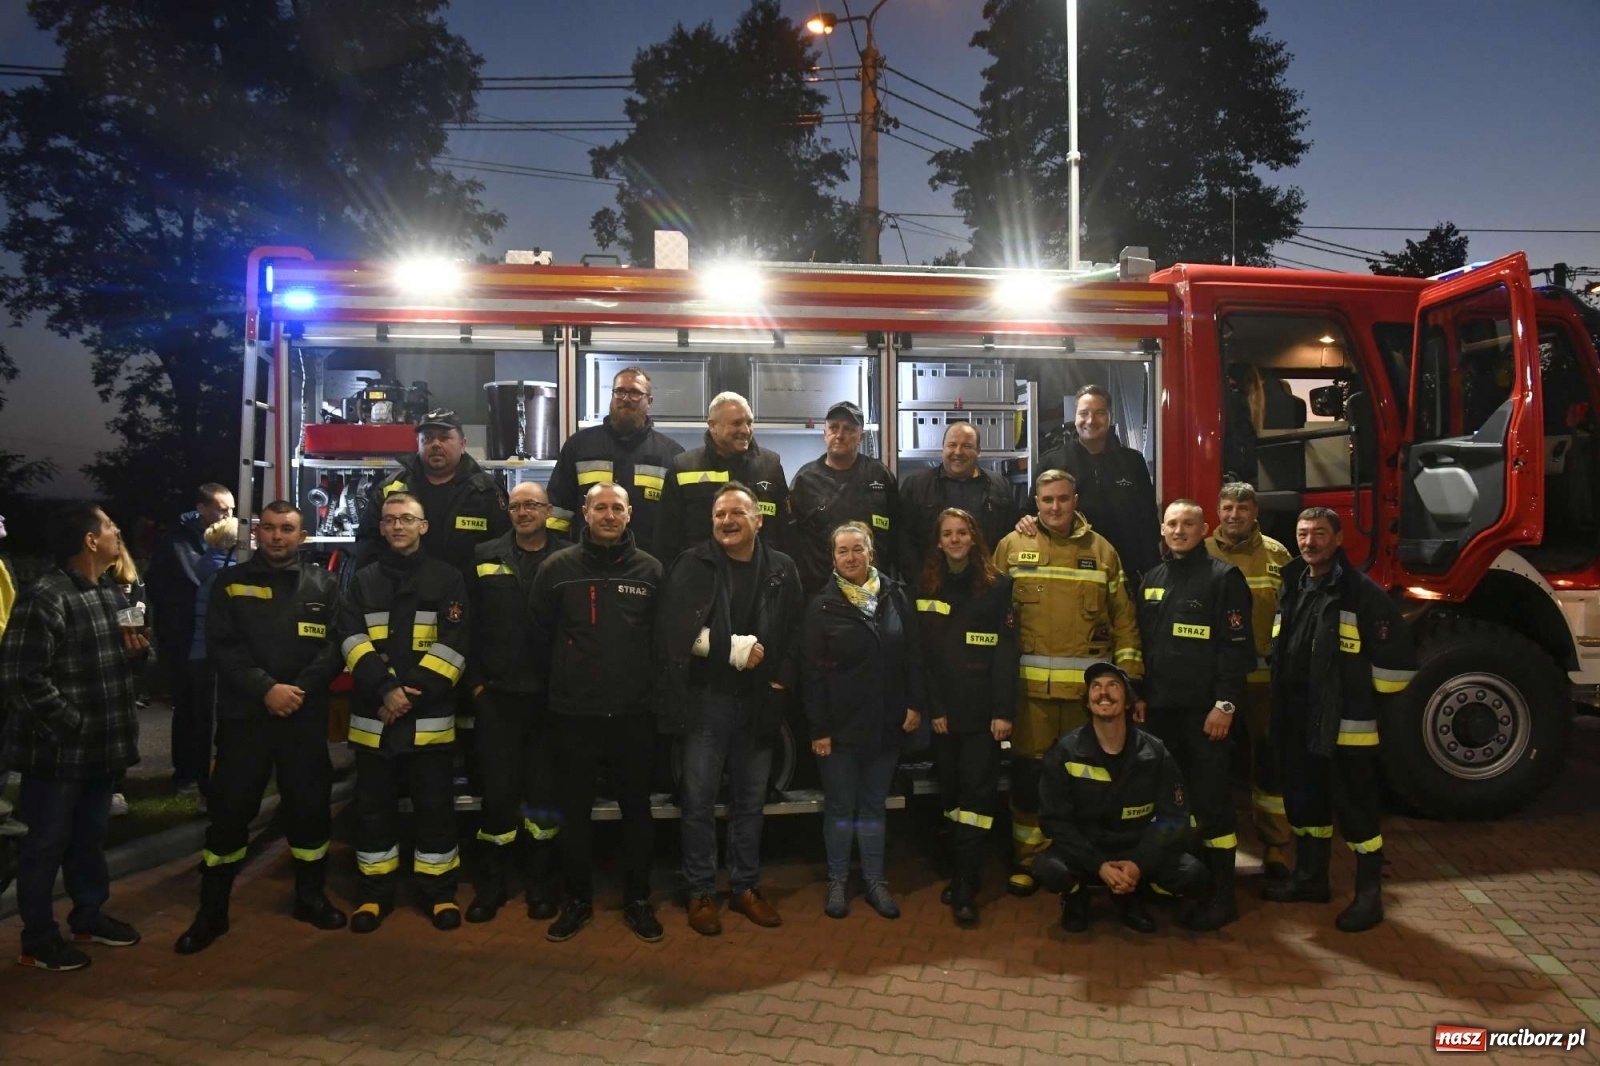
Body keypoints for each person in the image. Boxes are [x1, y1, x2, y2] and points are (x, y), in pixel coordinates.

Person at [173, 502, 346, 954]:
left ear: (302, 536)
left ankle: (310, 897)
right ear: (256, 534)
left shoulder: (324, 584)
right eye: (268, 528)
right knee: (229, 815)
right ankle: (212, 912)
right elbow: (223, 647)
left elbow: (334, 647)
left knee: (309, 811)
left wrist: (297, 691)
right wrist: (267, 689)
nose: (276, 536)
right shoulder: (231, 583)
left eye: (286, 529)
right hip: (245, 721)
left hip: (302, 721)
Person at [0, 503, 146, 971]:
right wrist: (71, 724)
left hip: (102, 749)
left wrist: (139, 654)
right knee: (46, 844)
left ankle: (88, 916)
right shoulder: (46, 596)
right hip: (59, 753)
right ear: (89, 540)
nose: (117, 530)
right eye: (108, 525)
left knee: (89, 837)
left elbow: (119, 662)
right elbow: (22, 676)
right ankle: (38, 938)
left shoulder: (107, 592)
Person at [656, 483, 804, 936]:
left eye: (737, 513)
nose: (727, 521)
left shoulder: (782, 569)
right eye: (719, 514)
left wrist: (781, 681)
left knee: (750, 802)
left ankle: (744, 887)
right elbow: (673, 630)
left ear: (758, 519)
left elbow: (798, 632)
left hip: (759, 702)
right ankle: (701, 890)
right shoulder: (692, 564)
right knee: (698, 800)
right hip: (706, 702)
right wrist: (731, 650)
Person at [992, 469, 1141, 898]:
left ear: (1075, 499)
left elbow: (1125, 622)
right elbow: (991, 613)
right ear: (1034, 503)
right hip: (1029, 698)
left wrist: (1131, 686)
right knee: (1029, 780)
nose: (1054, 507)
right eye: (1046, 500)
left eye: (1062, 499)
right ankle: (1028, 862)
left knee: (1087, 780)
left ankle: (1082, 858)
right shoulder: (1012, 547)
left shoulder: (1103, 551)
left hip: (1086, 702)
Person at [1266, 507, 1415, 933]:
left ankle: (1370, 895)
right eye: (1302, 533)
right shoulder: (1293, 583)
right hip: (1298, 720)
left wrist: (1364, 705)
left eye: (1318, 534)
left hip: (1347, 727)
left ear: (1337, 538)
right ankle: (1311, 879)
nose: (1309, 542)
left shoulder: (1360, 592)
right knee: (1306, 805)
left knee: (1357, 811)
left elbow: (1397, 665)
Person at [530, 482, 665, 943]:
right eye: (600, 507)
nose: (609, 515)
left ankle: (639, 900)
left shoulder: (651, 571)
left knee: (637, 814)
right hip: (573, 715)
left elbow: (661, 643)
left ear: (630, 515)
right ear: (584, 513)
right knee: (574, 814)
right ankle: (576, 901)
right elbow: (539, 638)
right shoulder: (556, 569)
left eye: (617, 508)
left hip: (634, 715)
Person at [339, 492, 471, 933]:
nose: (397, 526)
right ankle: (375, 895)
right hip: (375, 718)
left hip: (425, 719)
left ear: (424, 526)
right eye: (390, 520)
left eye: (407, 519)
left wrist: (407, 694)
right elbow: (351, 639)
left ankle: (438, 894)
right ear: (381, 527)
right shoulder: (362, 578)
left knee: (435, 809)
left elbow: (454, 644)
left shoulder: (448, 579)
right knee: (373, 809)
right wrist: (385, 687)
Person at [1136, 499, 1255, 930]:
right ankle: (1180, 882)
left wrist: (1225, 705)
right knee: (1170, 802)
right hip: (1161, 716)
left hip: (1206, 717)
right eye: (1172, 524)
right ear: (1163, 531)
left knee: (1212, 804)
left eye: (1188, 523)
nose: (1180, 530)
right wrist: (1141, 697)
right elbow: (1145, 646)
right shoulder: (1152, 579)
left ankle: (1222, 896)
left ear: (1205, 529)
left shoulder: (1224, 578)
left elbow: (1237, 648)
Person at [803, 521, 924, 921]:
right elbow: (812, 674)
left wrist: (913, 704)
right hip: (838, 732)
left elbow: (913, 657)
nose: (851, 557)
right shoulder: (822, 605)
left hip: (886, 725)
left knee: (873, 807)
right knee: (840, 807)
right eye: (843, 551)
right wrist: (818, 729)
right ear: (832, 557)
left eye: (858, 549)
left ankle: (875, 881)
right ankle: (837, 881)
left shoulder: (897, 596)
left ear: (871, 552)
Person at [1033, 662, 1209, 933]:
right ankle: (1076, 897)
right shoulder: (1065, 752)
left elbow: (1173, 818)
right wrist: (1099, 865)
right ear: (1088, 701)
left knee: (1192, 874)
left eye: (1113, 686)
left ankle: (1132, 893)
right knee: (1050, 869)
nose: (1104, 693)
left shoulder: (1155, 752)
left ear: (1128, 702)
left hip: (1136, 851)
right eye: (1096, 687)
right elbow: (1054, 820)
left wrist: (1139, 864)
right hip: (1087, 852)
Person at [462, 481, 569, 923]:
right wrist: (476, 686)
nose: (524, 512)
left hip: (550, 700)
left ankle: (540, 885)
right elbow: (462, 622)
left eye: (533, 505)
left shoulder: (568, 557)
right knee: (498, 797)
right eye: (517, 506)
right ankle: (492, 885)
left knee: (544, 798)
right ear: (507, 511)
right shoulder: (483, 555)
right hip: (498, 699)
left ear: (548, 510)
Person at [914, 508, 1018, 925]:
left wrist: (1003, 711)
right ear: (938, 542)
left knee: (977, 797)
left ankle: (965, 884)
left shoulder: (997, 588)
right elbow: (922, 656)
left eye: (962, 533)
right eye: (947, 534)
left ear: (974, 539)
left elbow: (1006, 653)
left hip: (983, 715)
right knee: (953, 797)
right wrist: (934, 709)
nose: (955, 540)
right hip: (944, 715)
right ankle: (959, 868)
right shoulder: (925, 586)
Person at [1205, 482, 1294, 881]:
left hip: (1263, 680)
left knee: (1270, 763)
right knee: (1213, 764)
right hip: (1213, 682)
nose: (1235, 514)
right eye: (1227, 506)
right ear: (1218, 510)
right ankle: (1212, 844)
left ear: (1255, 512)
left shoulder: (1278, 556)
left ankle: (1276, 845)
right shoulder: (1200, 551)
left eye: (1243, 507)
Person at [145, 483, 234, 800]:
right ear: (202, 508)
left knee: (205, 713)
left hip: (201, 640)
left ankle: (202, 772)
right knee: (189, 710)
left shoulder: (202, 541)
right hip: (184, 640)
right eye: (223, 509)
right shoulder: (180, 542)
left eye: (231, 510)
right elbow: (196, 584)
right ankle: (186, 775)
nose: (228, 515)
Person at [354, 408, 509, 580]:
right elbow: (368, 546)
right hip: (404, 595)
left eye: (444, 437)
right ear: (418, 444)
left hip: (469, 597)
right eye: (427, 438)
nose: (436, 444)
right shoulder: (391, 488)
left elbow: (504, 549)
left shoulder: (486, 491)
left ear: (463, 444)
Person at [1029, 385, 1160, 584]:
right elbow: (1031, 514)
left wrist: (1151, 574)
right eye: (1084, 413)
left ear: (1110, 416)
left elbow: (1148, 520)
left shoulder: (1133, 462)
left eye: (1099, 413)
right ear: (1075, 417)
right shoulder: (1052, 462)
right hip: (1069, 574)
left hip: (1125, 573)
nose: (1091, 420)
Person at [545, 366, 683, 549]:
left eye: (635, 393)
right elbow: (558, 511)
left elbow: (677, 523)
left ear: (648, 401)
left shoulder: (670, 454)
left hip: (646, 567)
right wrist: (561, 558)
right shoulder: (578, 447)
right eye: (620, 392)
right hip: (585, 564)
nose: (625, 399)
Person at [655, 392, 790, 568]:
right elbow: (666, 536)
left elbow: (786, 531)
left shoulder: (771, 465)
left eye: (749, 422)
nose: (745, 430)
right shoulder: (684, 466)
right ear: (712, 426)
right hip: (702, 576)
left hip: (760, 577)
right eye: (736, 423)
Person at [789, 400, 900, 595]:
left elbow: (899, 533)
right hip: (820, 594)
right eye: (833, 428)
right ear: (824, 434)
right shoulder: (805, 481)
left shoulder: (879, 476)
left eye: (849, 429)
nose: (839, 435)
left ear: (861, 437)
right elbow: (791, 541)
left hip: (873, 592)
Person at [898, 421, 1017, 570]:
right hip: (931, 585)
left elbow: (1009, 535)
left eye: (966, 446)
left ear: (978, 451)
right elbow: (903, 539)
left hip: (987, 582)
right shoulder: (916, 485)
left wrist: (996, 578)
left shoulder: (1000, 486)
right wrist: (920, 581)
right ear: (943, 448)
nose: (958, 452)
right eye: (952, 445)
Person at [184, 517, 243, 811]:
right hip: (212, 658)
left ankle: (209, 789)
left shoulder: (211, 566)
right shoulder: (227, 573)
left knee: (207, 725)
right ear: (234, 542)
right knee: (214, 729)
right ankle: (208, 793)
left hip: (202, 656)